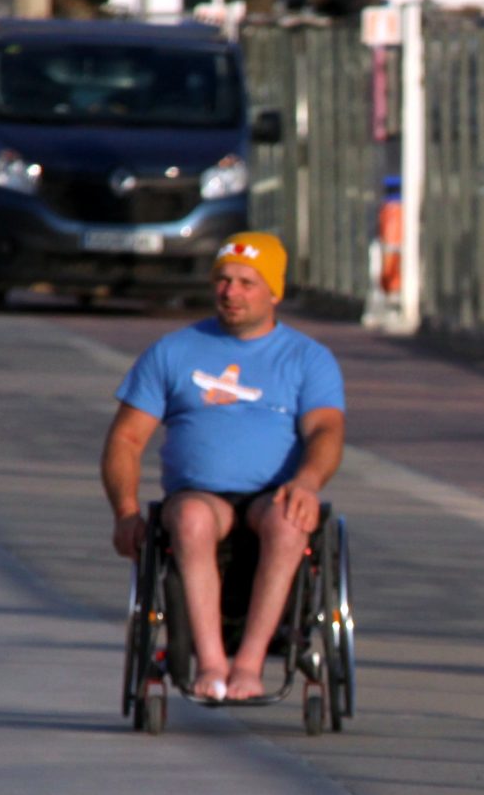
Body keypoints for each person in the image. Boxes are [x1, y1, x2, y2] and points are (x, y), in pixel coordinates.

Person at [102, 232, 345, 704]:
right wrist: (125, 511)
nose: (231, 292)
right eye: (223, 280)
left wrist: (307, 483)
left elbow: (326, 432)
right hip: (198, 495)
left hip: (272, 494)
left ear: (274, 291)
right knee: (190, 520)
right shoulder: (173, 352)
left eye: (246, 283)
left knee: (290, 523)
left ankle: (249, 665)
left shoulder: (307, 359)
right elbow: (126, 439)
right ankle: (211, 664)